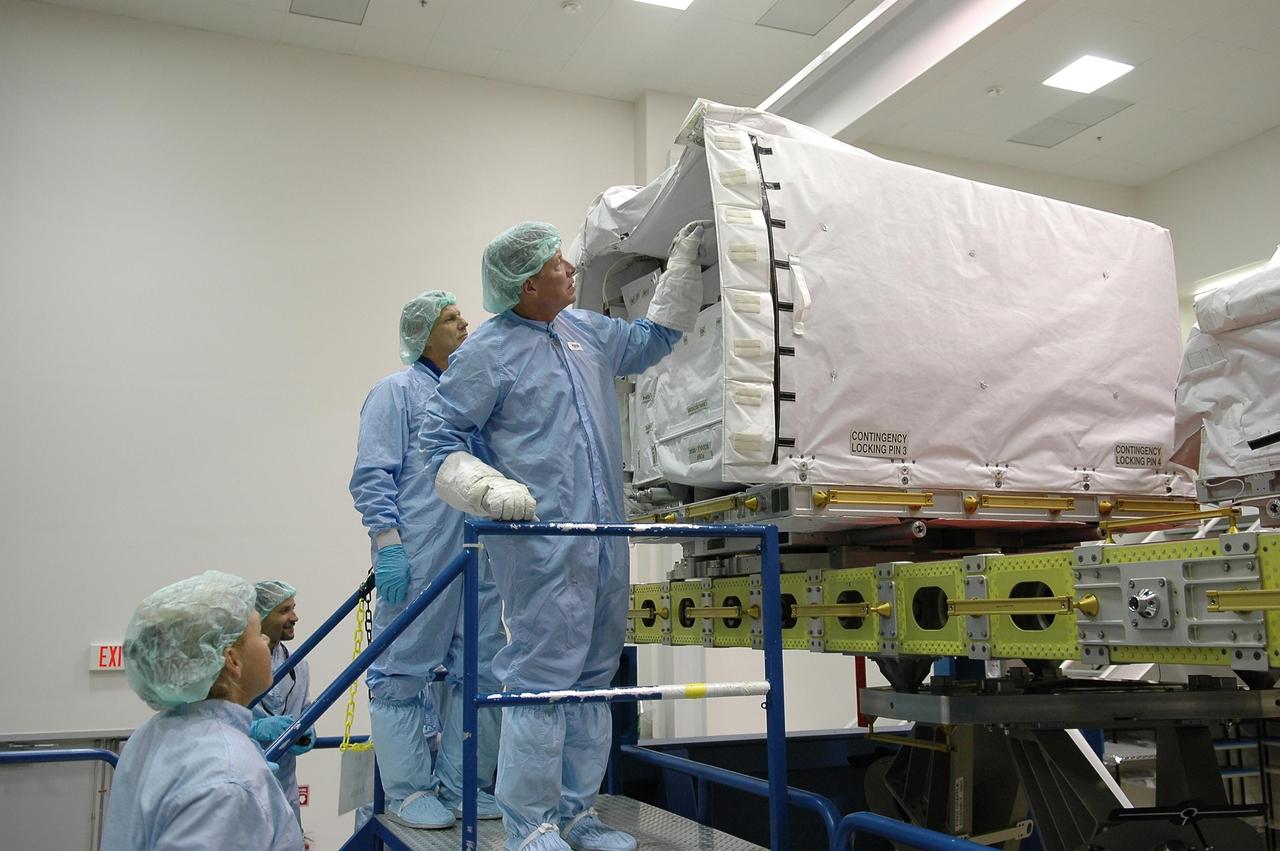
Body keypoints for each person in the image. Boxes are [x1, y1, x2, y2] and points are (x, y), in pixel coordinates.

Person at [421, 220, 706, 851]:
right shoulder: (487, 352)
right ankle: (531, 824)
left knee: (594, 680)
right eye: (557, 264)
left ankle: (577, 814)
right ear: (526, 285)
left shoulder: (587, 333)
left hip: (605, 537)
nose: (570, 269)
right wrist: (488, 491)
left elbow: (654, 338)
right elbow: (437, 444)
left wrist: (684, 267)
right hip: (541, 545)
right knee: (542, 681)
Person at [350, 291, 507, 829]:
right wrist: (388, 545)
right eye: (450, 319)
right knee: (401, 671)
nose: (464, 323)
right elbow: (373, 475)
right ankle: (409, 790)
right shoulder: (394, 394)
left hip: (480, 557)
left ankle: (462, 784)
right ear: (421, 335)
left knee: (484, 669)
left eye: (463, 316)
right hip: (420, 555)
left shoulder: (470, 398)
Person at [101, 571, 305, 851]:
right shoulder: (228, 779)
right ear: (231, 660)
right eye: (258, 634)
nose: (267, 642)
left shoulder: (152, 733)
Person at [248, 580, 314, 826]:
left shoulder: (299, 665)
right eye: (284, 610)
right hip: (246, 780)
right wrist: (254, 730)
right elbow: (214, 722)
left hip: (285, 784)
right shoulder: (233, 666)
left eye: (293, 608)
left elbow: (304, 707)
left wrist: (306, 729)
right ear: (260, 616)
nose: (295, 617)